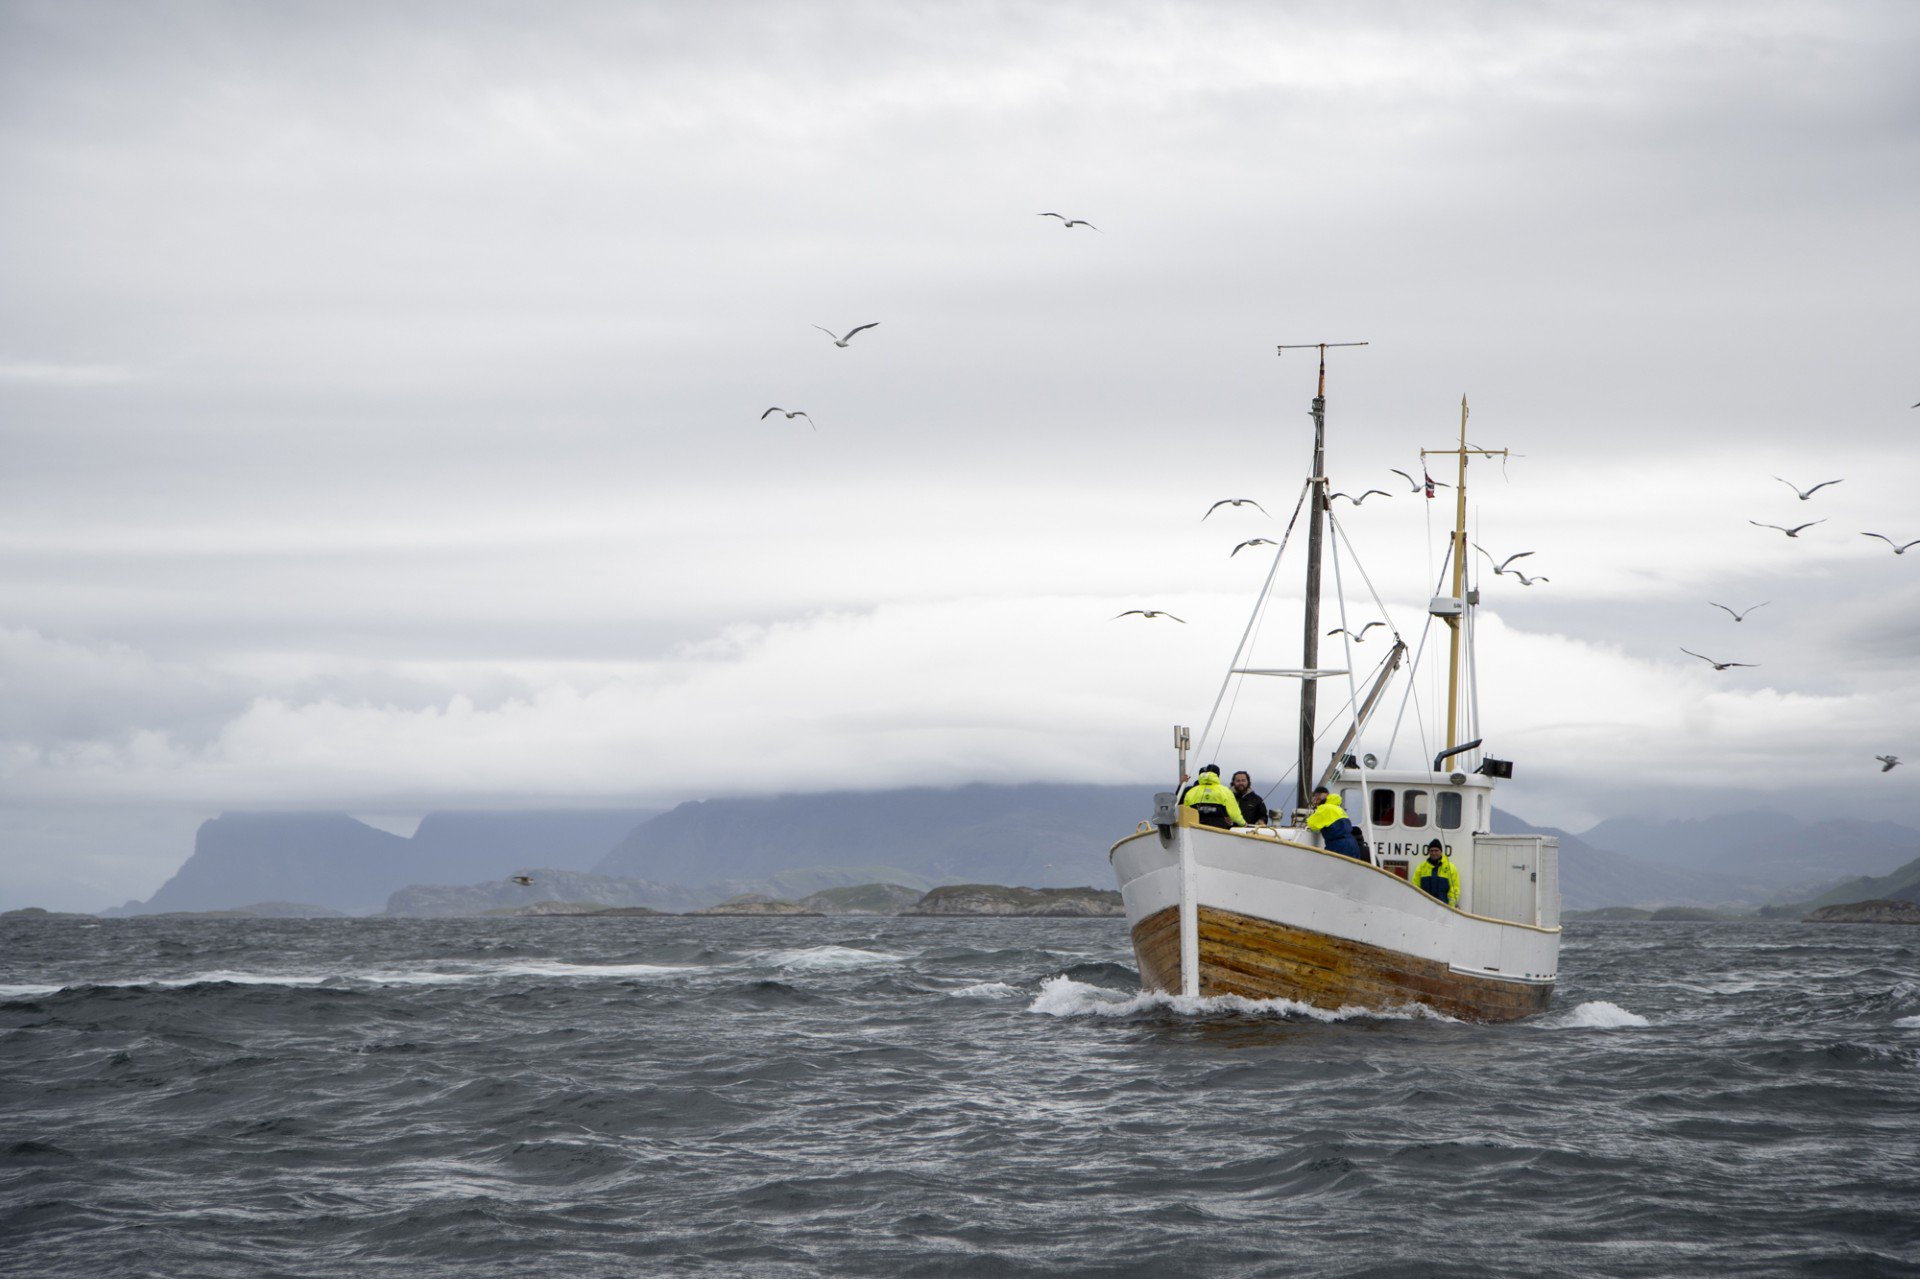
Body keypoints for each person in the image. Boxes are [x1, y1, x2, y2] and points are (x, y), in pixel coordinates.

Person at [1306, 787, 1365, 860]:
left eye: (1318, 795)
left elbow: (1312, 825)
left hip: (1338, 845)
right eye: (1315, 796)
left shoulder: (1324, 808)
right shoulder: (1338, 809)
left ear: (1326, 795)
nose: (1316, 798)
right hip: (1353, 844)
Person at [1181, 765, 1246, 829]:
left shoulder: (1191, 791)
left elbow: (1185, 812)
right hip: (1218, 828)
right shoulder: (1225, 791)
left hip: (1196, 828)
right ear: (1217, 775)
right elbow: (1234, 812)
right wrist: (1243, 823)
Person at [1410, 838, 1460, 906]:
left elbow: (1454, 889)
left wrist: (1450, 907)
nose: (1434, 853)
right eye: (1431, 850)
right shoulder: (1421, 868)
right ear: (1429, 852)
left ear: (1441, 851)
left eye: (1436, 850)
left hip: (1443, 907)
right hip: (1424, 906)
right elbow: (1415, 887)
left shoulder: (1450, 868)